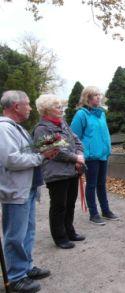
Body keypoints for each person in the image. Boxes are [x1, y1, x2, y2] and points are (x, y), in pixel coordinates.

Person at [0, 90, 58, 292]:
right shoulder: (4, 129)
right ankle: (15, 277)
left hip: (27, 188)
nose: (30, 108)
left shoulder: (18, 129)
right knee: (15, 234)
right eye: (27, 104)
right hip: (15, 191)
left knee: (27, 232)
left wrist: (45, 147)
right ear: (16, 106)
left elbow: (25, 151)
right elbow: (12, 159)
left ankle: (25, 267)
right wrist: (41, 156)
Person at [33, 94, 86, 249]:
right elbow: (54, 151)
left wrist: (80, 154)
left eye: (61, 106)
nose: (61, 109)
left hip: (71, 170)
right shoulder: (42, 129)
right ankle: (60, 237)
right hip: (56, 173)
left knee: (70, 204)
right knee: (59, 206)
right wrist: (76, 158)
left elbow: (76, 140)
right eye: (57, 107)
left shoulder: (62, 123)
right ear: (46, 110)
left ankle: (70, 231)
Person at [70, 86, 118, 225]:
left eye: (99, 94)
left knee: (102, 184)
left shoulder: (101, 113)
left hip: (103, 154)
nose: (98, 97)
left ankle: (106, 210)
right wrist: (79, 156)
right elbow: (74, 136)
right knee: (91, 185)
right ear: (87, 98)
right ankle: (94, 213)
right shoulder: (81, 114)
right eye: (95, 95)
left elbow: (104, 133)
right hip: (90, 156)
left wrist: (107, 148)